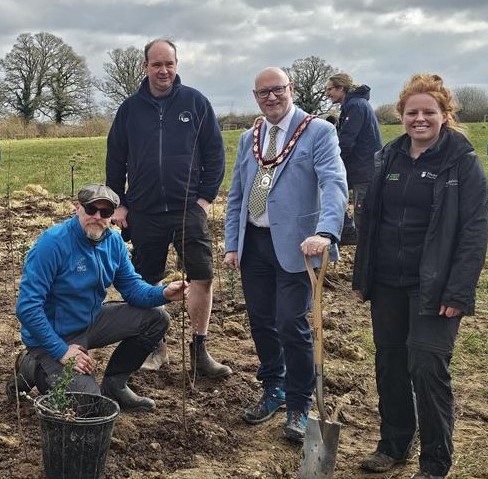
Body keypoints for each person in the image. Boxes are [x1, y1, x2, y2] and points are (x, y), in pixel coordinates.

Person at [352, 74, 488, 479]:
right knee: (390, 362)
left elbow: (474, 229)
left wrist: (459, 290)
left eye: (429, 111)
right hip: (388, 282)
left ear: (446, 115)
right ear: (401, 115)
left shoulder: (461, 162)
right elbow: (371, 221)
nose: (420, 118)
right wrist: (364, 273)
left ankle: (435, 461)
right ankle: (393, 444)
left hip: (436, 286)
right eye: (412, 112)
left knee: (426, 366)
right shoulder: (388, 157)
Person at [224, 67, 348, 442]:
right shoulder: (251, 138)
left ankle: (298, 403)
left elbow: (333, 182)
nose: (271, 97)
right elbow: (237, 195)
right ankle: (273, 389)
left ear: (291, 89)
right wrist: (233, 243)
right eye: (263, 93)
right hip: (255, 247)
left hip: (298, 246)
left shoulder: (318, 132)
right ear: (256, 97)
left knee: (291, 324)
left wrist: (325, 232)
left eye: (277, 89)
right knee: (262, 322)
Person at [106, 38, 231, 379]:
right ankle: (154, 344)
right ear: (145, 67)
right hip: (144, 210)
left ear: (177, 65)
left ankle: (200, 350)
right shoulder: (130, 110)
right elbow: (115, 159)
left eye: (169, 64)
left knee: (202, 276)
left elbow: (215, 154)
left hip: (187, 207)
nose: (163, 70)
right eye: (156, 64)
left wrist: (205, 199)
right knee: (147, 278)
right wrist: (120, 203)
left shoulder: (195, 102)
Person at [7, 184, 188, 411]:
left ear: (112, 215)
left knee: (157, 318)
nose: (97, 217)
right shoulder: (52, 244)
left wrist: (163, 293)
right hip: (54, 335)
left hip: (90, 322)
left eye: (105, 212)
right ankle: (31, 365)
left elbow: (133, 289)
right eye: (91, 209)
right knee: (88, 404)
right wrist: (61, 351)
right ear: (77, 208)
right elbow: (27, 307)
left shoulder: (113, 243)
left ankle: (115, 385)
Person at [325, 73, 382, 244]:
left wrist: (330, 160)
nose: (327, 93)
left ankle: (364, 249)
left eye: (330, 89)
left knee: (362, 214)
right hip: (356, 167)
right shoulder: (353, 105)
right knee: (331, 193)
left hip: (364, 169)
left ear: (341, 88)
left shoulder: (356, 106)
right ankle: (348, 230)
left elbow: (347, 141)